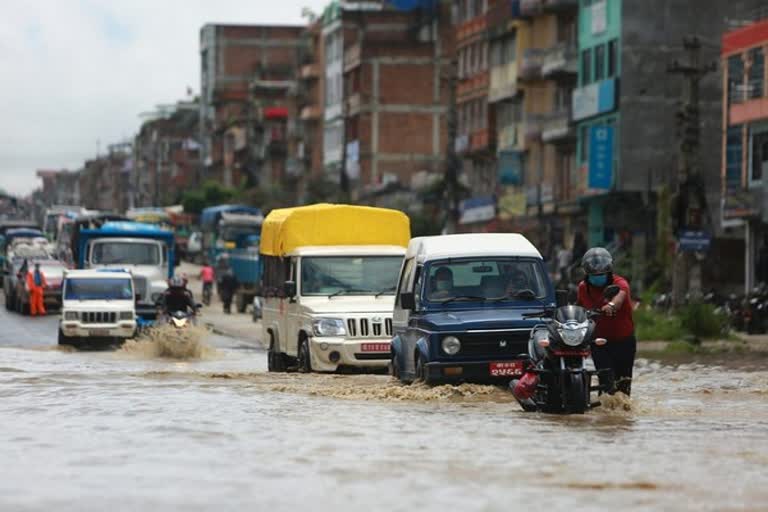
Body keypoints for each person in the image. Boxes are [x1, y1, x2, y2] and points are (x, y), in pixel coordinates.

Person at [577, 247, 636, 397]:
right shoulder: (583, 288)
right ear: (587, 275)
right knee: (606, 381)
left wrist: (611, 305)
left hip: (624, 341)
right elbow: (578, 308)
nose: (598, 278)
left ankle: (622, 416)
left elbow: (620, 297)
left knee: (623, 383)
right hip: (599, 342)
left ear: (609, 272)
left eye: (601, 275)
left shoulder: (620, 283)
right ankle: (606, 414)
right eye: (593, 275)